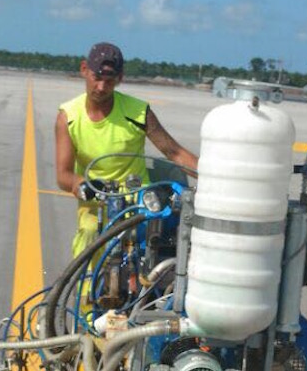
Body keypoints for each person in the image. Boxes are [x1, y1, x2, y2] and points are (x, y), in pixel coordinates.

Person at [55, 42, 199, 256]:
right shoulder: (68, 117)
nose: (102, 87)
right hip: (98, 197)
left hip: (139, 197)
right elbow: (63, 175)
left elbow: (174, 152)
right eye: (97, 77)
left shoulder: (139, 112)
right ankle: (85, 288)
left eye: (109, 80)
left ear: (120, 79)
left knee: (160, 235)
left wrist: (214, 178)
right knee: (90, 232)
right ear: (84, 69)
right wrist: (82, 185)